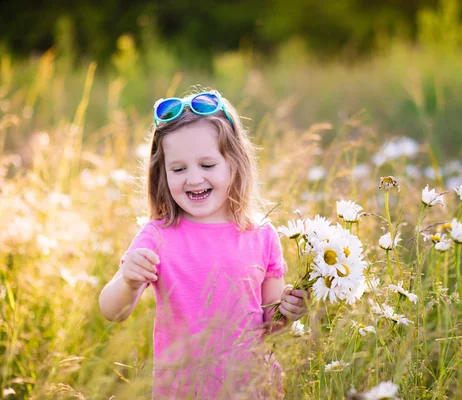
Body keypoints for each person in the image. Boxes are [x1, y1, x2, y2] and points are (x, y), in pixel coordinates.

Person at [98, 89, 309, 399]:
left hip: (251, 388)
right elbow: (111, 310)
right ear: (163, 172)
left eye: (207, 165)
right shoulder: (158, 235)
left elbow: (269, 325)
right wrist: (129, 280)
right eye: (179, 169)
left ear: (234, 164)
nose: (193, 179)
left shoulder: (260, 234)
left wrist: (287, 313)